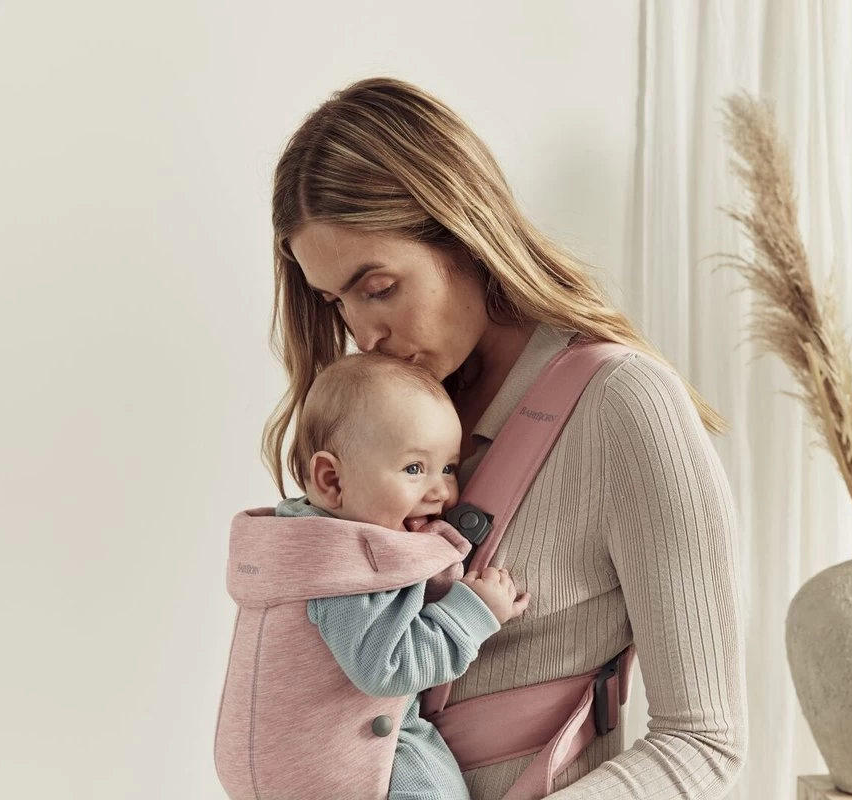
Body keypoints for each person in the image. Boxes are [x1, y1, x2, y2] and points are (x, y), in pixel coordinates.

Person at [262, 75, 746, 798]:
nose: (364, 334)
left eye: (379, 288)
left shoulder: (624, 404)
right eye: (337, 302)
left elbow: (704, 741)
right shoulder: (389, 419)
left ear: (462, 234)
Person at [276, 352, 531, 800]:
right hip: (366, 768)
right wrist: (474, 613)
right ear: (332, 481)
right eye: (414, 468)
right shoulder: (345, 567)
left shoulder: (312, 543)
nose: (441, 491)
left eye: (448, 468)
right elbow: (387, 667)